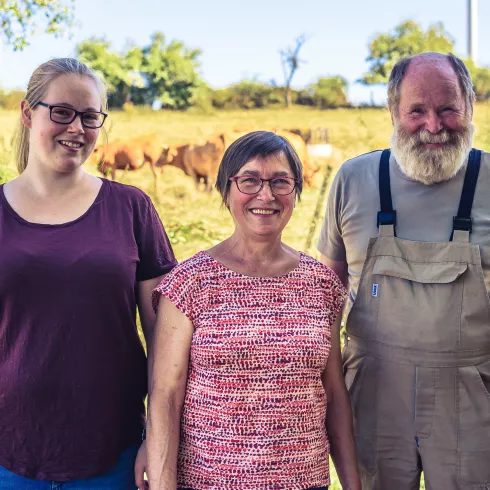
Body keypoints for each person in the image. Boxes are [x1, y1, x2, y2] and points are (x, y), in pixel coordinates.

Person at [147, 131, 362, 490]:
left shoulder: (321, 284)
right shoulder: (189, 282)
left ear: (296, 191)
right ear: (226, 191)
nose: (266, 195)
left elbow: (334, 391)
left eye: (280, 181)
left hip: (304, 482)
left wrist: (352, 484)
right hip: (208, 483)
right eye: (249, 180)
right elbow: (165, 398)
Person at [0, 58, 177, 489]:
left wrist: (159, 440)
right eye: (61, 112)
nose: (76, 128)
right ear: (28, 113)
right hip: (9, 454)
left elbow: (165, 339)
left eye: (90, 116)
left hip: (112, 454)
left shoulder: (131, 208)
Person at [318, 52, 490, 490]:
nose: (434, 126)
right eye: (417, 111)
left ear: (470, 106)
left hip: (473, 397)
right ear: (393, 111)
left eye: (448, 108)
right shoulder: (353, 180)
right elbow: (324, 294)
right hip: (373, 392)